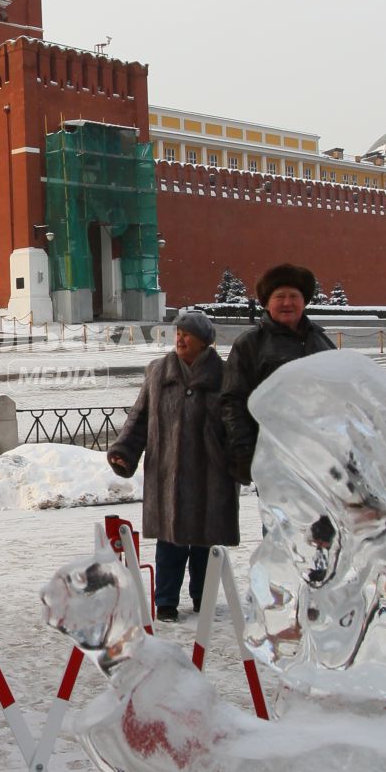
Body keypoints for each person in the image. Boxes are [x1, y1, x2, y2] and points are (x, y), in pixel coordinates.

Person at [106, 307, 239, 621]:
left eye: (187, 334)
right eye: (177, 333)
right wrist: (124, 450)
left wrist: (239, 459)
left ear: (204, 341)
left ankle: (202, 599)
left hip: (212, 473)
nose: (179, 338)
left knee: (206, 543)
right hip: (168, 472)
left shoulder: (224, 376)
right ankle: (165, 600)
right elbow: (139, 419)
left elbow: (236, 423)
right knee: (170, 541)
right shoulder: (158, 372)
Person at [220, 262, 335, 484]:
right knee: (286, 518)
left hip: (322, 455)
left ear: (304, 301)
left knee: (326, 517)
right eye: (279, 296)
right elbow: (233, 401)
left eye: (294, 296)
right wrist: (245, 452)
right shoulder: (250, 344)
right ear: (266, 303)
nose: (287, 303)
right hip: (275, 456)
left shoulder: (321, 340)